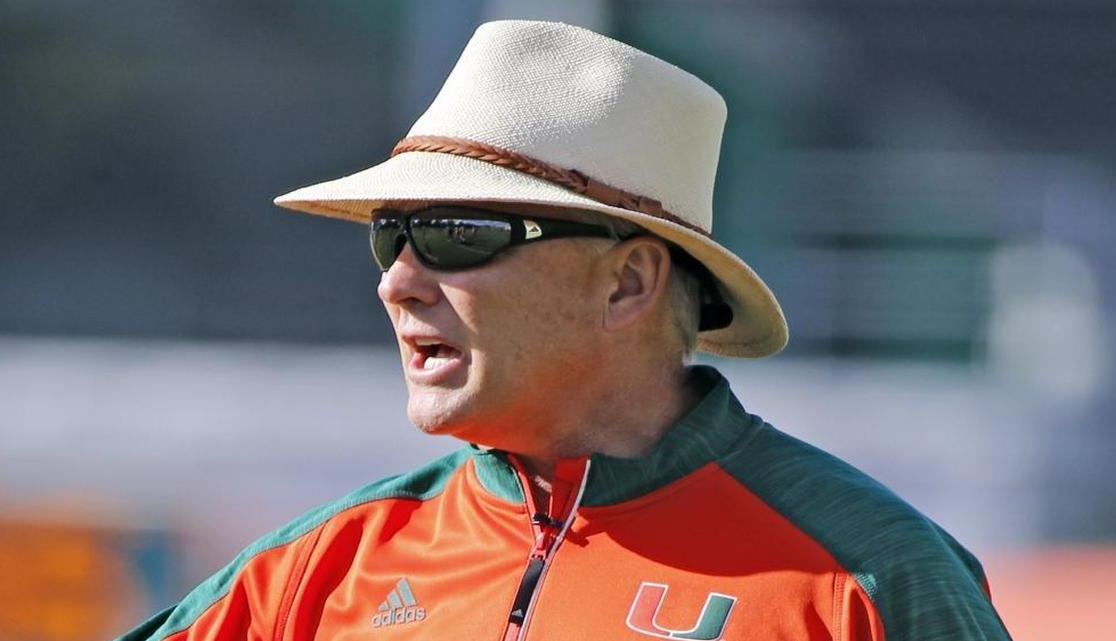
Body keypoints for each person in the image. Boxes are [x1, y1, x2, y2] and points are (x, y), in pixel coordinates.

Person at [117, 20, 1012, 641]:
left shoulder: (870, 576)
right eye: (393, 235)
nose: (397, 280)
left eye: (457, 235)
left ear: (628, 280)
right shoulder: (315, 570)